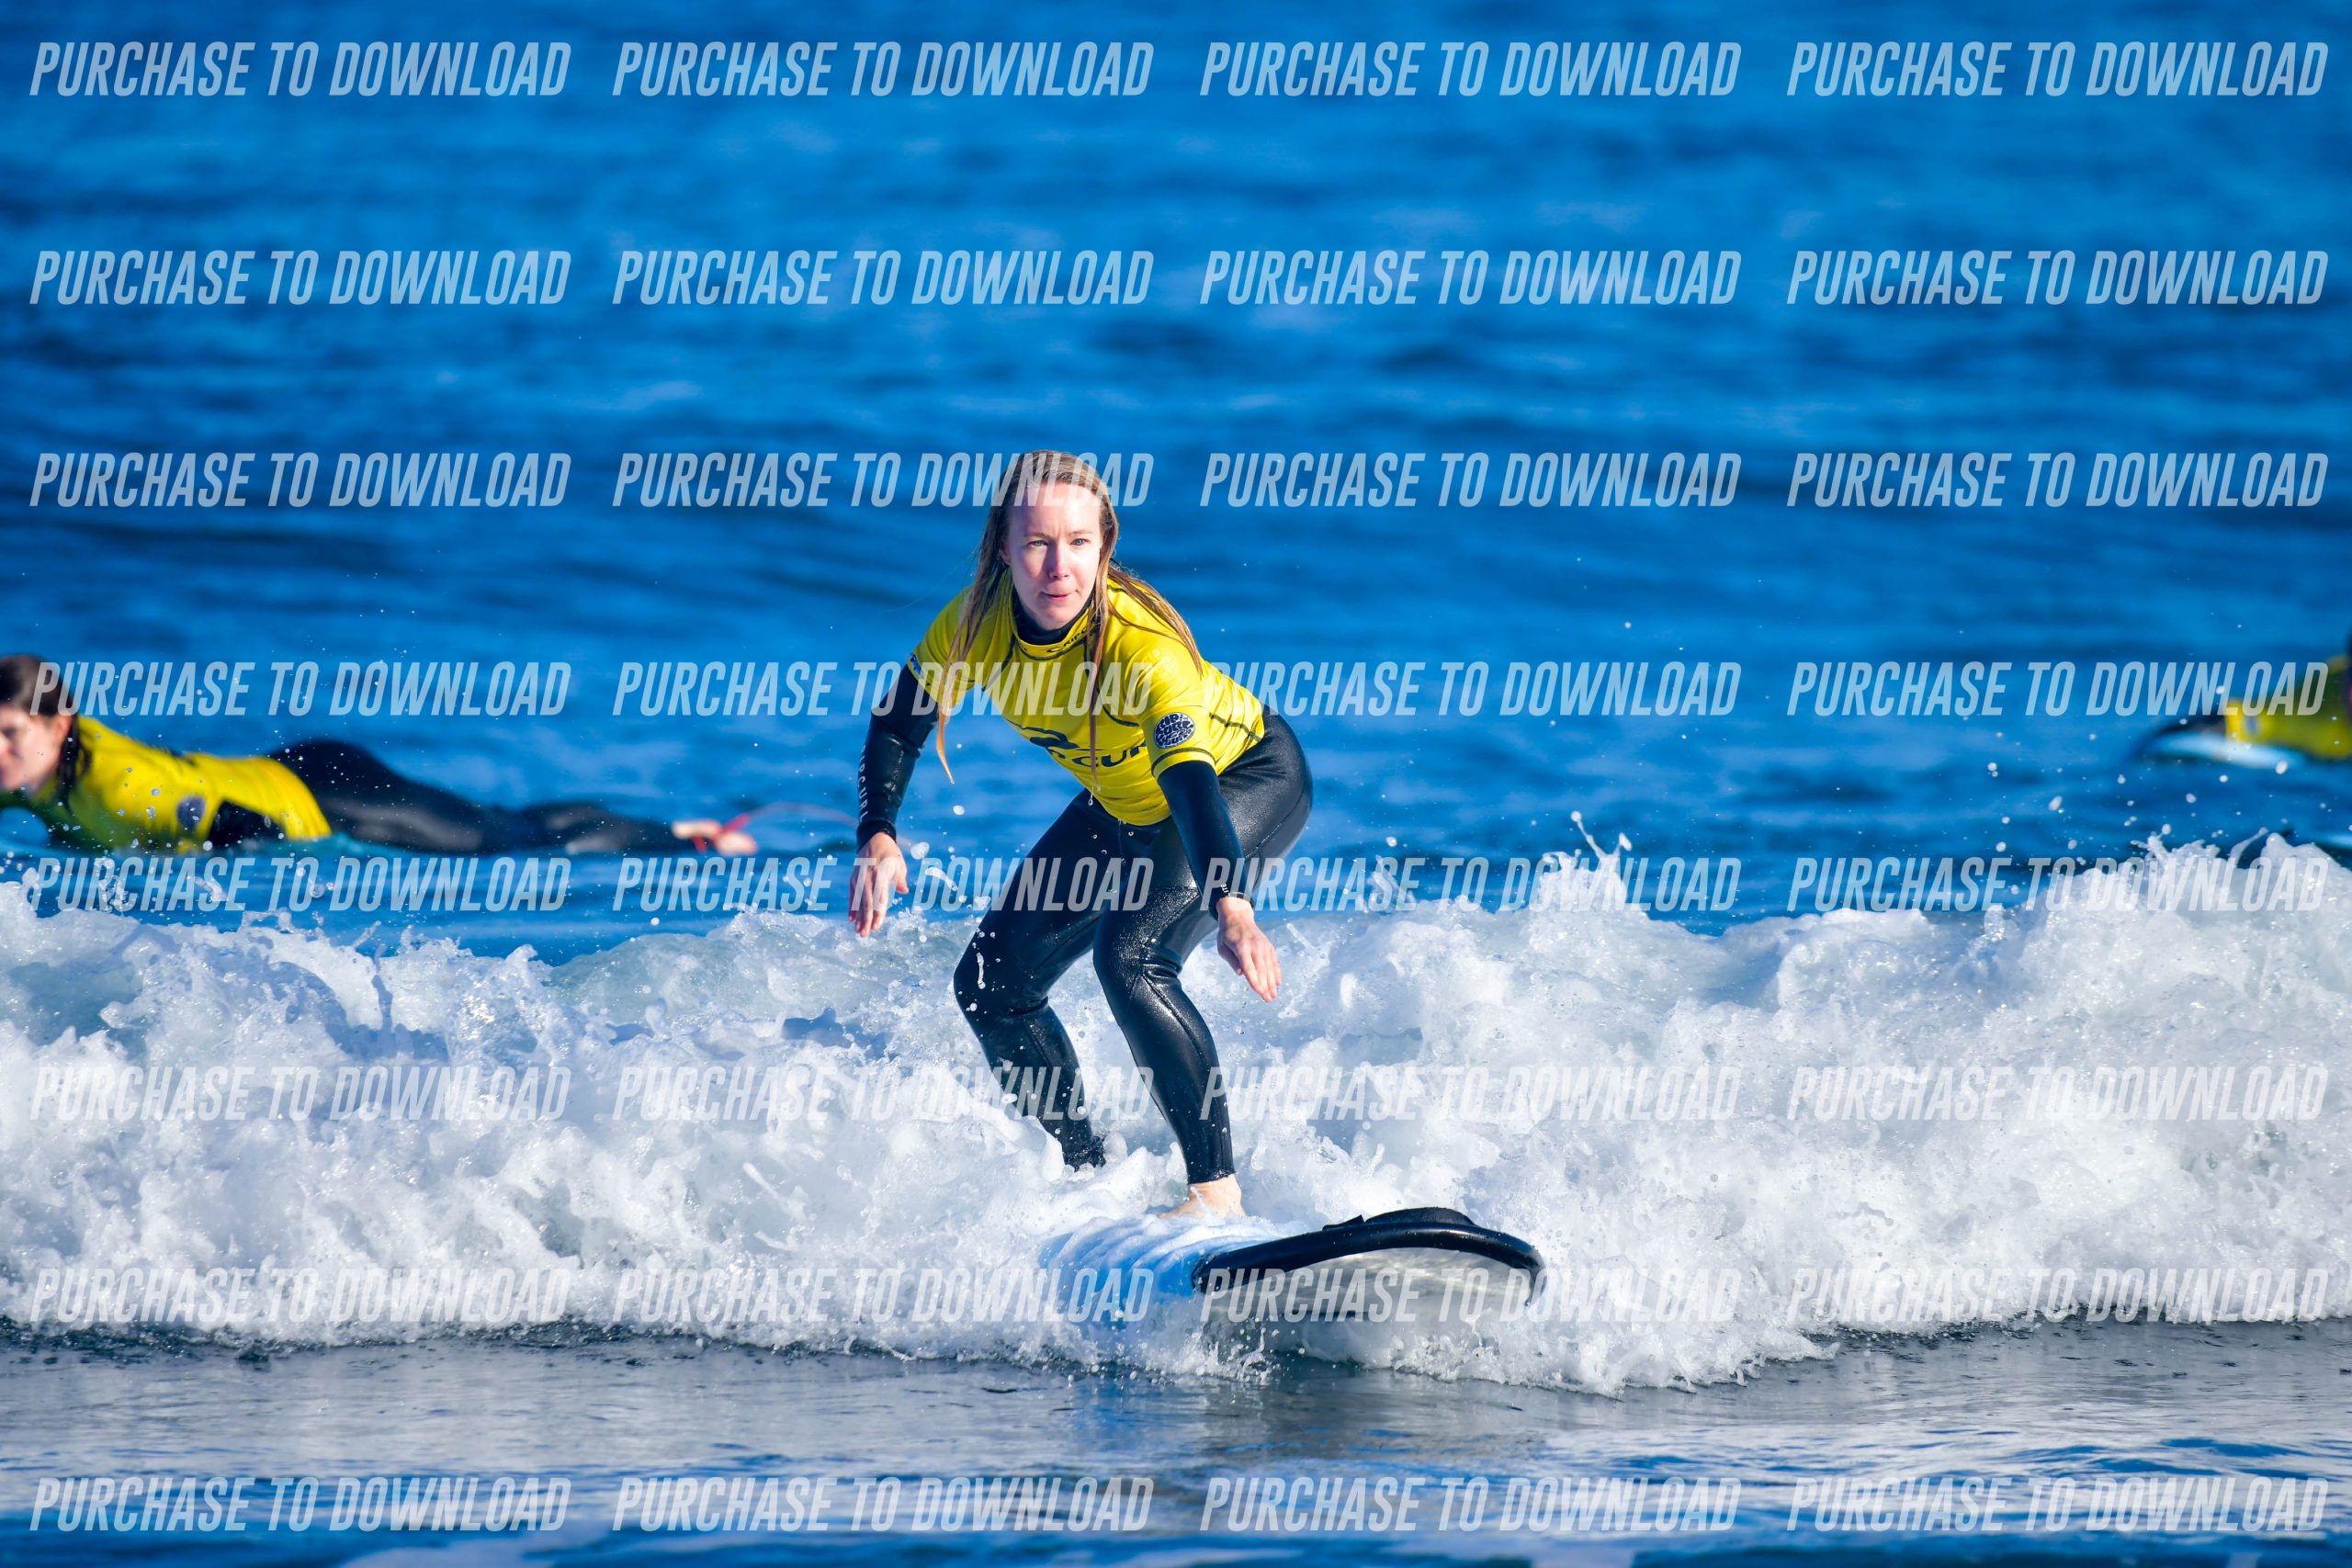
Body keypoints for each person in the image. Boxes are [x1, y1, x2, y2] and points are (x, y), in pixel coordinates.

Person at [848, 451, 1311, 1220]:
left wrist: (1232, 904)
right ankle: (1085, 1171)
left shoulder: (1143, 650)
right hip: (1123, 798)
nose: (1058, 567)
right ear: (1003, 548)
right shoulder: (975, 625)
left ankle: (1215, 1194)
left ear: (1104, 547)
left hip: (1242, 778)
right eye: (1036, 543)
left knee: (1131, 956)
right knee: (992, 983)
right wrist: (878, 834)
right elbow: (899, 724)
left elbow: (1190, 785)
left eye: (1078, 543)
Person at [0, 654, 755, 855]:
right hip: (295, 766)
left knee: (507, 841)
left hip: (331, 798)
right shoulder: (31, 772)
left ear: (61, 726)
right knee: (502, 819)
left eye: (11, 734)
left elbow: (242, 826)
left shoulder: (120, 785)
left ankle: (688, 839)